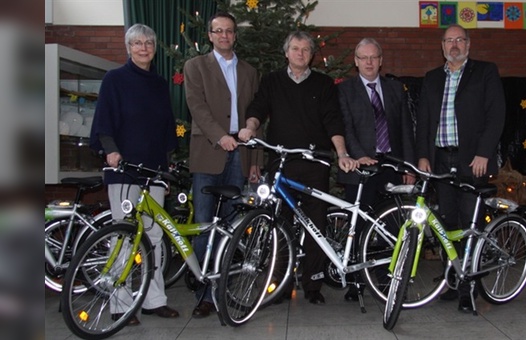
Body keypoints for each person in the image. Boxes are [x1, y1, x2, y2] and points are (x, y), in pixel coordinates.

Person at [238, 31, 359, 305]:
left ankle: (313, 284)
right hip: (282, 163)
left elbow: (333, 120)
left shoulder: (323, 83)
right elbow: (258, 107)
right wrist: (249, 127)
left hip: (315, 164)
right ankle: (280, 284)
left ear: (312, 54)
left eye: (305, 49)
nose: (300, 54)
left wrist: (341, 152)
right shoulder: (272, 81)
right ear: (286, 53)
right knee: (279, 223)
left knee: (315, 223)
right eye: (295, 48)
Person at [89, 23, 180, 324]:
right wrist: (111, 151)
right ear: (128, 47)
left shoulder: (159, 84)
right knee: (124, 238)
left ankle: (154, 300)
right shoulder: (114, 80)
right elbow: (103, 122)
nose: (143, 48)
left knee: (154, 236)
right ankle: (121, 304)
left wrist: (165, 172)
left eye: (149, 43)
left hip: (153, 171)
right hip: (124, 171)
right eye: (137, 43)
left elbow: (166, 130)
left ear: (154, 47)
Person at [415, 24, 505, 312]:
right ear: (442, 46)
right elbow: (424, 122)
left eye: (459, 40)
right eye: (448, 40)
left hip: (471, 161)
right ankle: (453, 279)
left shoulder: (485, 71)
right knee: (446, 222)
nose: (454, 45)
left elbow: (496, 115)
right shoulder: (431, 78)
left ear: (468, 44)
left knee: (470, 223)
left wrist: (483, 153)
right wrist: (423, 156)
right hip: (440, 160)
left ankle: (470, 287)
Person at [183, 12, 261, 318]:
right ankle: (203, 293)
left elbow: (256, 117)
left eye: (229, 31)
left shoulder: (250, 71)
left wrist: (255, 160)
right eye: (219, 31)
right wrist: (220, 137)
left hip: (240, 153)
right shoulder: (196, 66)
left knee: (231, 227)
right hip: (209, 151)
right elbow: (197, 107)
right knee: (205, 225)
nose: (225, 36)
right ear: (210, 35)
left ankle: (223, 290)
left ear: (234, 36)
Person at [337, 37, 416, 301]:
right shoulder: (345, 89)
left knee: (391, 227)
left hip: (391, 167)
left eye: (373, 57)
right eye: (363, 58)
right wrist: (361, 156)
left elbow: (406, 129)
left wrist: (408, 166)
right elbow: (345, 128)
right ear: (356, 61)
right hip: (359, 168)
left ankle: (385, 280)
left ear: (381, 61)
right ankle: (355, 282)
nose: (369, 62)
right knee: (357, 226)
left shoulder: (395, 89)